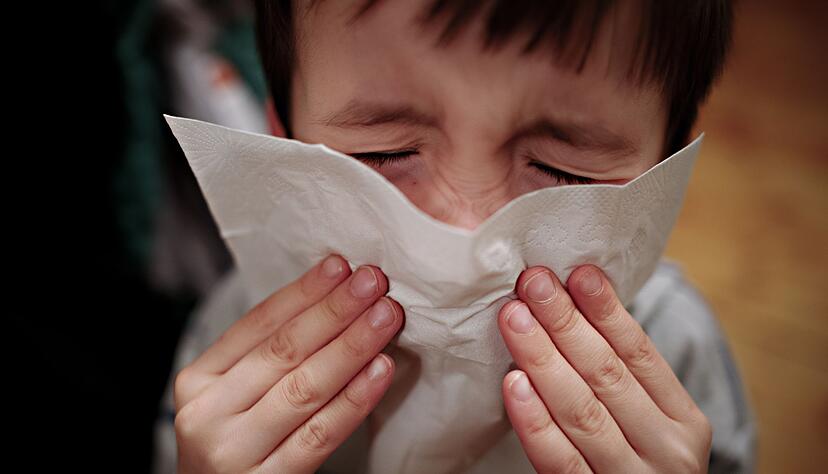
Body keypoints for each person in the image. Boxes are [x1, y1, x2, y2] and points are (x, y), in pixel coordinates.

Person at [153, 1, 757, 472]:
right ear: (283, 144)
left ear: (666, 172)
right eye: (384, 154)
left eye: (563, 171)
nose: (467, 236)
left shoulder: (679, 352)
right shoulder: (237, 343)